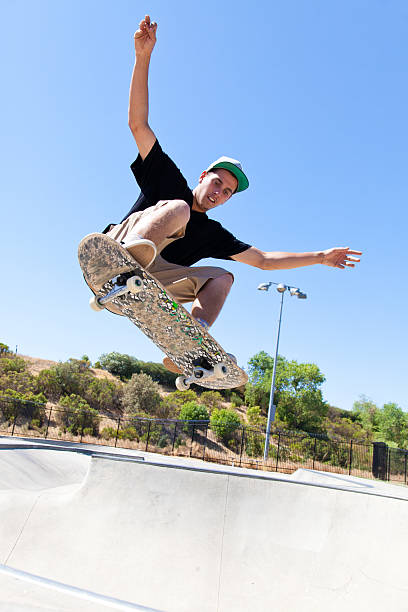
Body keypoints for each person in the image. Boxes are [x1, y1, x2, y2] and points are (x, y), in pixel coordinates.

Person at [103, 15, 362, 372]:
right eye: (216, 183)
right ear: (203, 176)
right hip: (117, 250)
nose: (218, 193)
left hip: (147, 283)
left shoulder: (213, 234)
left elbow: (265, 261)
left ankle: (190, 342)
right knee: (179, 209)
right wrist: (143, 57)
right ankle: (125, 267)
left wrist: (320, 257)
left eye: (226, 193)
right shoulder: (168, 180)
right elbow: (138, 123)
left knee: (223, 278)